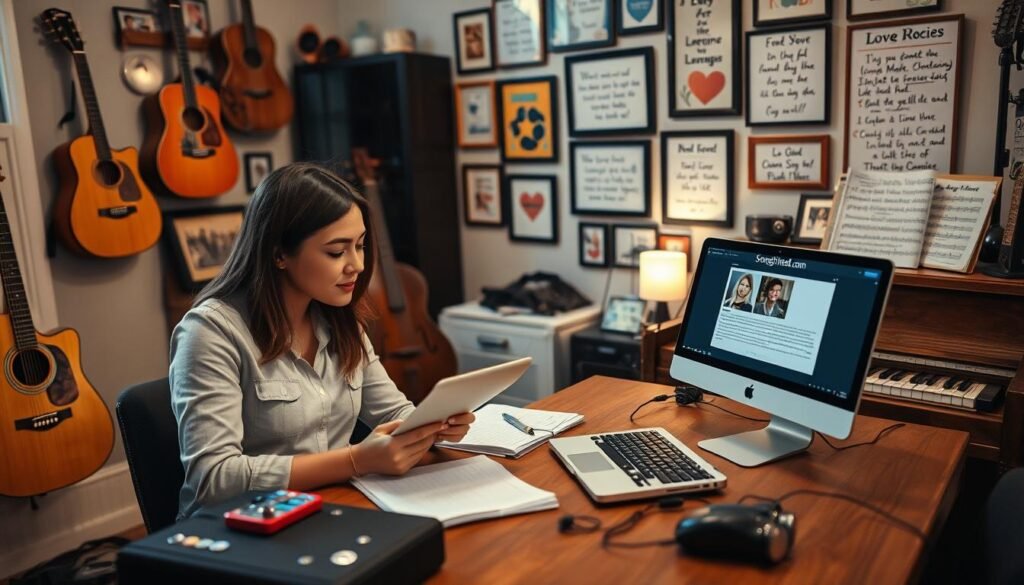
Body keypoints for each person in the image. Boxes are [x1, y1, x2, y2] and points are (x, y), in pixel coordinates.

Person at [169, 163, 474, 520]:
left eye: (360, 246)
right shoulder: (210, 332)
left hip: (327, 510)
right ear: (279, 254)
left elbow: (394, 414)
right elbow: (214, 479)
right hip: (236, 529)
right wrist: (355, 460)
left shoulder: (341, 321)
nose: (357, 265)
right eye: (336, 252)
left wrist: (433, 425)